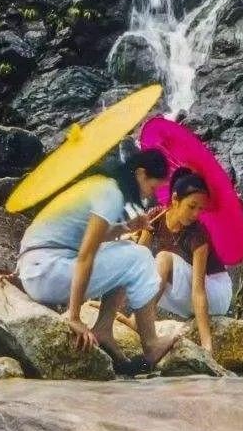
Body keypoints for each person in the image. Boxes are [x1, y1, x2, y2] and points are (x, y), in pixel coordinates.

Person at [16, 142, 181, 368]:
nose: (150, 195)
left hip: (38, 268)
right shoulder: (111, 194)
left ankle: (103, 329)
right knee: (139, 256)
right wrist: (74, 317)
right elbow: (86, 254)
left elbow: (87, 237)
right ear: (141, 174)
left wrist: (127, 227)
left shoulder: (102, 185)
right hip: (47, 273)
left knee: (126, 251)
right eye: (152, 188)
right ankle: (151, 345)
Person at [136, 168, 233, 356]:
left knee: (163, 258)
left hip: (215, 292)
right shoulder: (155, 219)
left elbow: (199, 290)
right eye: (191, 206)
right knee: (145, 263)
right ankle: (138, 319)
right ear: (175, 200)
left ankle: (142, 321)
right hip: (185, 293)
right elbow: (136, 262)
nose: (196, 214)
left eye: (200, 208)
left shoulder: (198, 235)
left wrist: (207, 345)